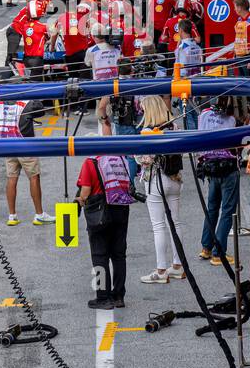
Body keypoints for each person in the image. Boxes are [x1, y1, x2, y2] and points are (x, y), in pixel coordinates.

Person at [76, 119, 135, 309]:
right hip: (121, 208)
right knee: (119, 255)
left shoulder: (90, 162)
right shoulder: (118, 159)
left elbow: (85, 192)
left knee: (99, 255)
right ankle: (119, 296)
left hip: (99, 213)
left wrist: (78, 202)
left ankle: (103, 297)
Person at [136, 95, 185, 284]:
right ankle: (178, 265)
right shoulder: (174, 127)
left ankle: (161, 269)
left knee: (158, 226)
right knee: (176, 223)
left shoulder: (148, 131)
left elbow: (143, 159)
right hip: (175, 178)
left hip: (156, 180)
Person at [0, 81, 50, 227]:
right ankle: (39, 214)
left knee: (11, 178)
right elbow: (41, 110)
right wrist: (32, 93)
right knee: (34, 177)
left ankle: (12, 216)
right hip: (26, 145)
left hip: (7, 145)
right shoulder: (27, 103)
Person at [195, 95, 239, 266]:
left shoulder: (204, 115)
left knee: (212, 208)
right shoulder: (231, 119)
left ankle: (206, 247)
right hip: (228, 168)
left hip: (210, 166)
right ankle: (218, 252)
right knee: (227, 211)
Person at [173, 18, 203, 129]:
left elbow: (182, 69)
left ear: (181, 30)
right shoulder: (196, 46)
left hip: (185, 84)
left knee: (188, 114)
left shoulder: (182, 47)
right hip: (196, 82)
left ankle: (192, 143)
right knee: (195, 113)